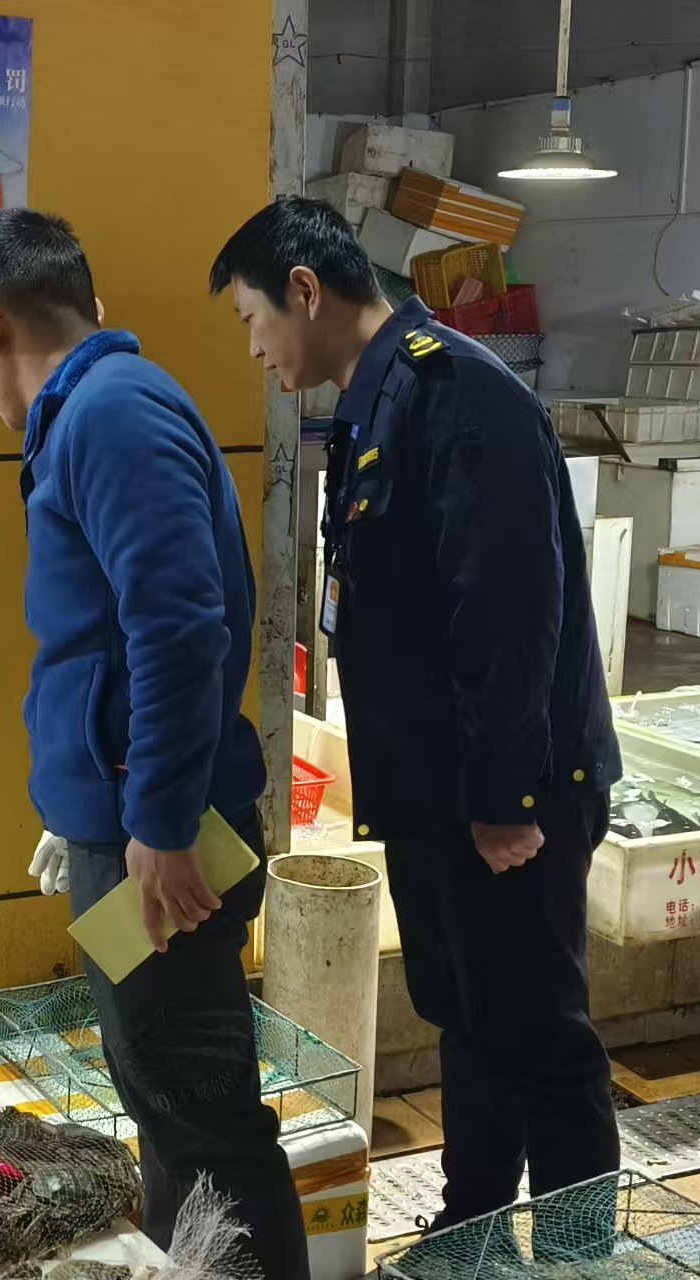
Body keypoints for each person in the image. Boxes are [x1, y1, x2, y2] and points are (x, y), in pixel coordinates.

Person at [209, 196, 621, 1226]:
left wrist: (503, 797)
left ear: (305, 291)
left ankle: (580, 1254)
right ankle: (469, 1228)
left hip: (508, 797)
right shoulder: (376, 402)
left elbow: (507, 613)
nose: (254, 347)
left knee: (539, 1033)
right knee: (467, 1017)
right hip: (440, 793)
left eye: (253, 318)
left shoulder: (457, 394)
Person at [0, 207, 309, 1280]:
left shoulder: (109, 414)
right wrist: (85, 810)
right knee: (163, 1099)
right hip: (127, 827)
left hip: (163, 840)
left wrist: (156, 821)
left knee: (200, 1114)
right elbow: (110, 635)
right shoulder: (92, 410)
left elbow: (180, 626)